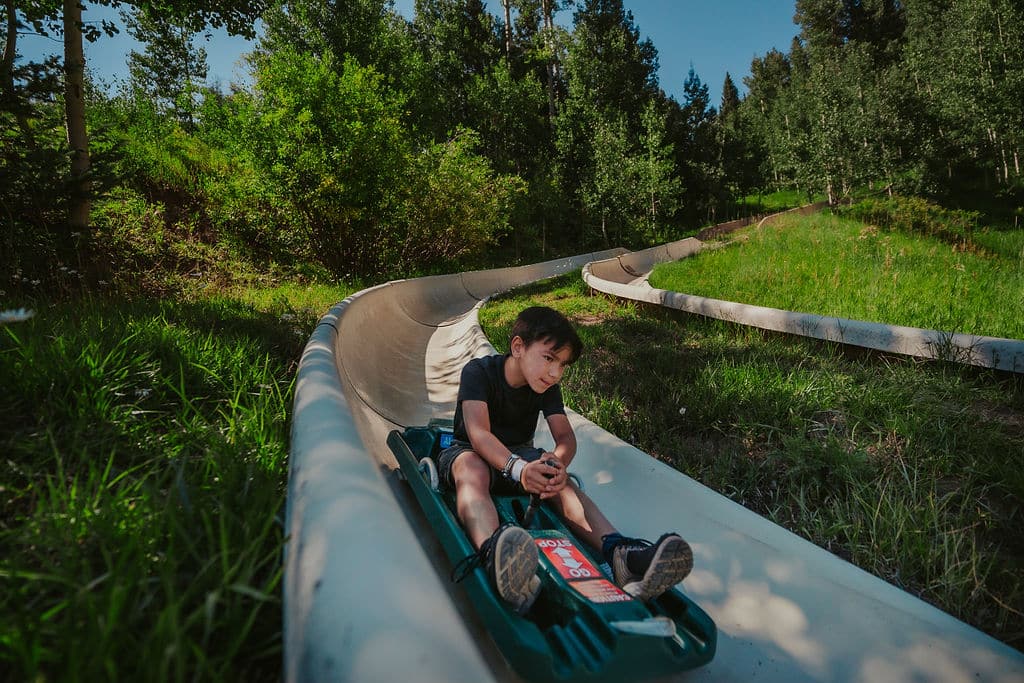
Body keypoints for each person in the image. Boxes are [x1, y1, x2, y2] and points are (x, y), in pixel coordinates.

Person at [439, 305, 693, 614]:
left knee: (564, 483)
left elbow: (565, 438)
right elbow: (478, 434)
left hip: (522, 457)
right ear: (518, 347)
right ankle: (497, 554)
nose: (555, 372)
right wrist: (518, 469)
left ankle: (620, 554)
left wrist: (557, 463)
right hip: (471, 452)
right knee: (472, 469)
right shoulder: (478, 373)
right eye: (549, 358)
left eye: (562, 364)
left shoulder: (546, 385)